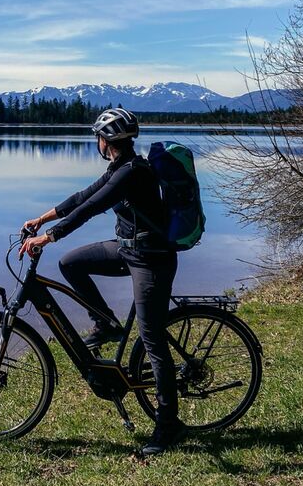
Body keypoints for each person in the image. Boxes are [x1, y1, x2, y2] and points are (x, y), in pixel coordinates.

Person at [18, 108, 182, 456]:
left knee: (151, 339)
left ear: (105, 140)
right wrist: (41, 219)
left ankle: (168, 424)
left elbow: (91, 208)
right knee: (71, 263)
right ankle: (105, 323)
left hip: (151, 259)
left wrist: (48, 237)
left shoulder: (132, 173)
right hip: (126, 250)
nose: (98, 142)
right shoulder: (119, 168)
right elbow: (81, 197)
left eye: (99, 137)